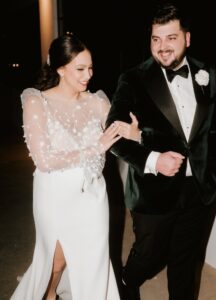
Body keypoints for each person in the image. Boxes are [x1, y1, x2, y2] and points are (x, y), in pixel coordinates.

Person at [106, 2, 216, 300]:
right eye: (155, 39)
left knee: (184, 265)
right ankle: (125, 280)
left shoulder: (206, 73)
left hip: (198, 188)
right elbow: (112, 136)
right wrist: (153, 159)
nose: (162, 47)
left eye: (170, 38)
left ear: (187, 38)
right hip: (152, 191)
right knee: (147, 259)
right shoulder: (132, 79)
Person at [10, 34, 139, 300]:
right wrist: (95, 147)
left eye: (90, 67)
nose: (88, 75)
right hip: (55, 195)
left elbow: (120, 135)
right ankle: (47, 295)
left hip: (93, 196)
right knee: (56, 262)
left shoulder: (97, 102)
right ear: (59, 68)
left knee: (94, 262)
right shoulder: (37, 102)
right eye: (80, 69)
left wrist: (136, 134)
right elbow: (43, 160)